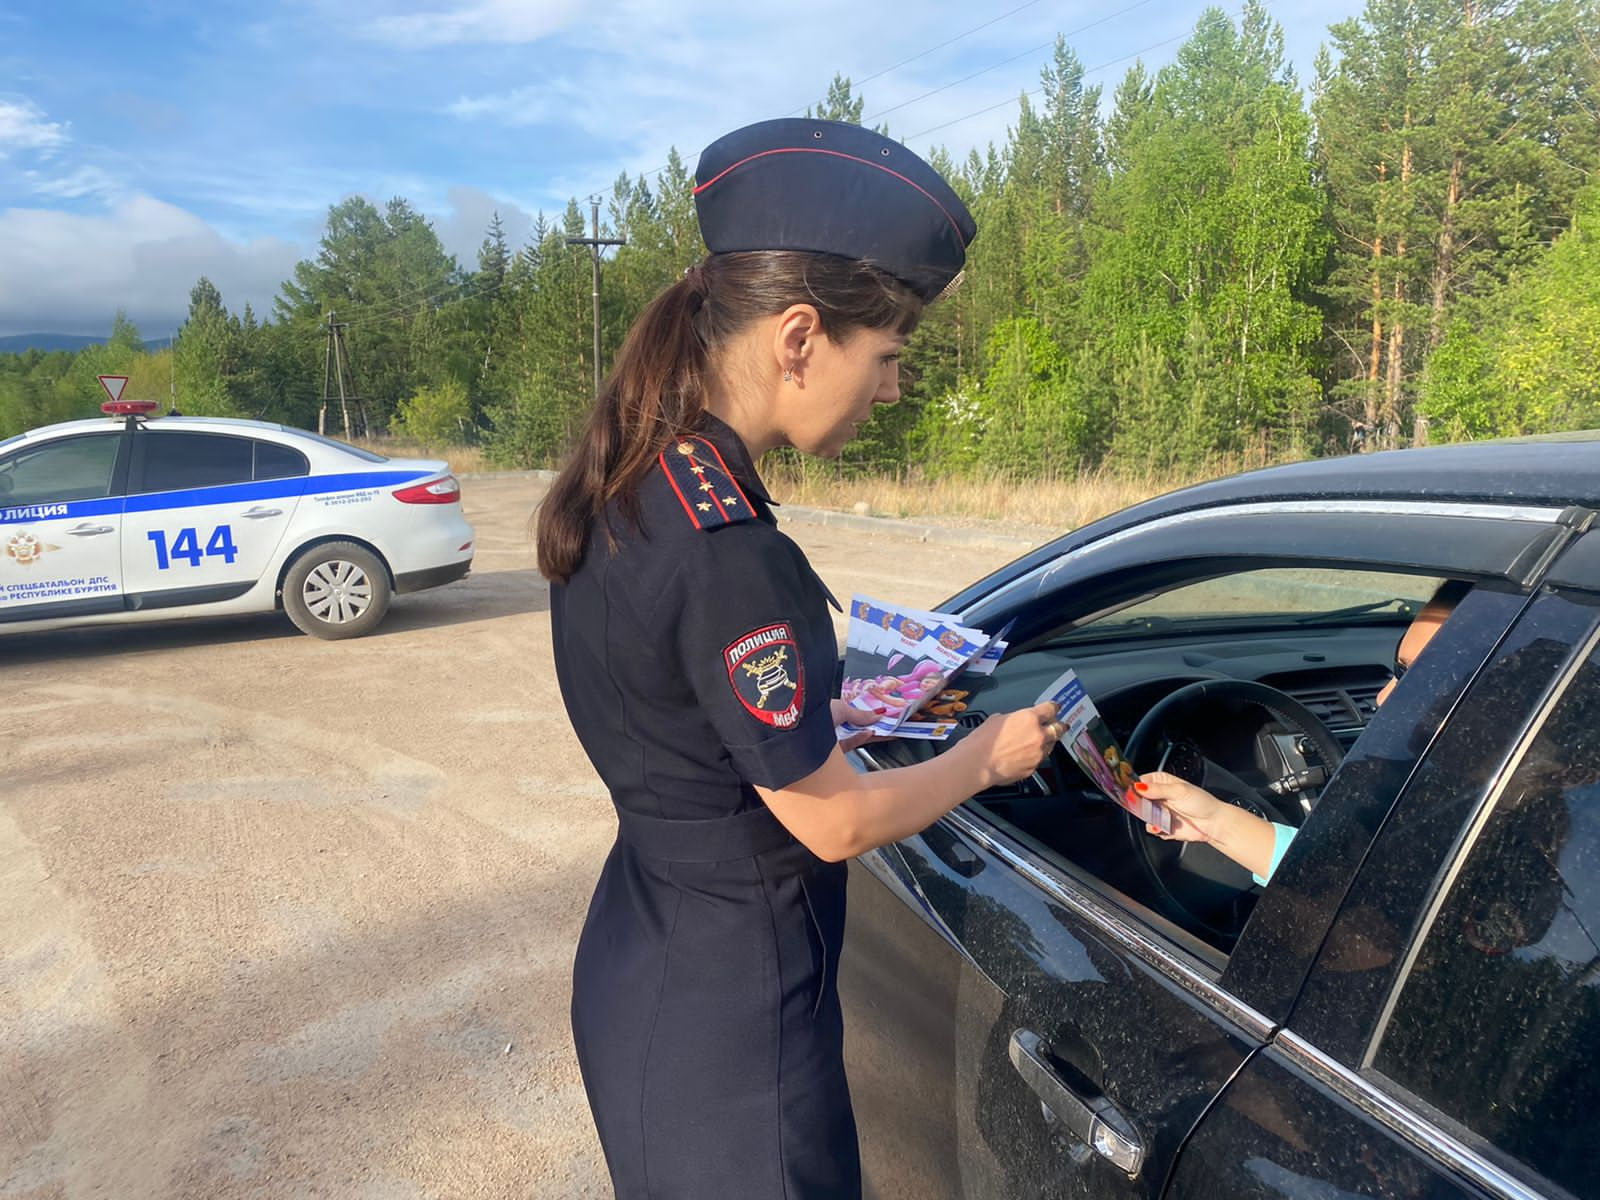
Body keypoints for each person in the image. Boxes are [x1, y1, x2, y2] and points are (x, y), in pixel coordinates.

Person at [535, 118, 1062, 1200]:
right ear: (798, 338)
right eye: (887, 357)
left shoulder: (637, 481)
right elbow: (829, 820)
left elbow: (682, 718)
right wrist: (987, 759)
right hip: (736, 1032)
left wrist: (841, 713)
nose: (892, 388)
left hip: (648, 954)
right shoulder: (732, 552)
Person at [1137, 580, 1469, 883]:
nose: (1382, 698)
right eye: (1399, 670)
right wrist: (1213, 821)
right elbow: (1345, 880)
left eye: (1423, 681)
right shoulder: (1463, 797)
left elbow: (1370, 908)